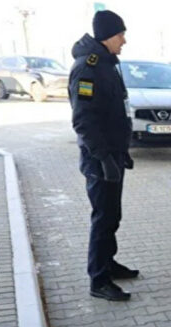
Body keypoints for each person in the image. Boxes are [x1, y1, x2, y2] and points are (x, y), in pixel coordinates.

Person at [68, 10, 138, 302]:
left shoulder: (107, 65)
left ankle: (108, 263)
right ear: (108, 35)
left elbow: (115, 111)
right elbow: (84, 120)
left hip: (113, 155)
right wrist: (104, 158)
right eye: (121, 34)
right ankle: (99, 279)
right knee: (102, 218)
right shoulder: (88, 68)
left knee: (112, 216)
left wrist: (121, 153)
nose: (124, 40)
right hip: (100, 161)